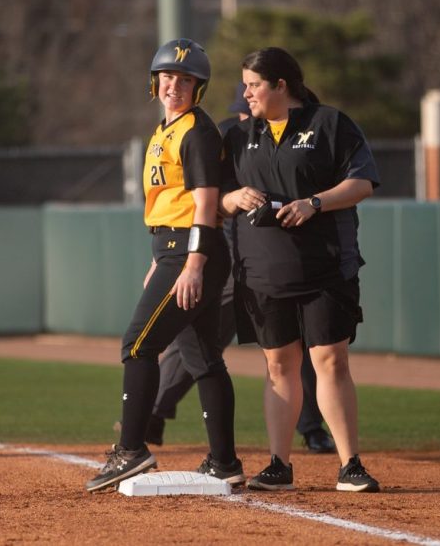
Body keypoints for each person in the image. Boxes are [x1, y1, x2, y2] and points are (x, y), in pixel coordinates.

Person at [85, 38, 244, 492]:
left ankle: (132, 450)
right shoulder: (164, 131)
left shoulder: (196, 130)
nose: (174, 84)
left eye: (185, 79)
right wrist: (162, 260)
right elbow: (169, 206)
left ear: (198, 88)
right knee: (204, 359)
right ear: (154, 82)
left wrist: (192, 262)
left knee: (137, 346)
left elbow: (205, 204)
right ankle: (224, 462)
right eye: (168, 76)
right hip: (174, 250)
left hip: (192, 250)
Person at [220, 47, 381, 493]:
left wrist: (314, 203)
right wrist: (233, 200)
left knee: (330, 361)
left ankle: (350, 464)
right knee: (278, 366)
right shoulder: (237, 136)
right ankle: (278, 463)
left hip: (325, 268)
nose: (246, 93)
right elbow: (211, 199)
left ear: (280, 86)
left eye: (253, 85)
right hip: (262, 272)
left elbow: (363, 182)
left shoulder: (329, 123)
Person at [145, 83, 335, 455]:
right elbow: (199, 200)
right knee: (201, 339)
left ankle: (312, 427)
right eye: (242, 108)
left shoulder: (299, 138)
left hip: (283, 255)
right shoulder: (229, 136)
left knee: (298, 342)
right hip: (230, 251)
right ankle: (153, 411)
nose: (246, 115)